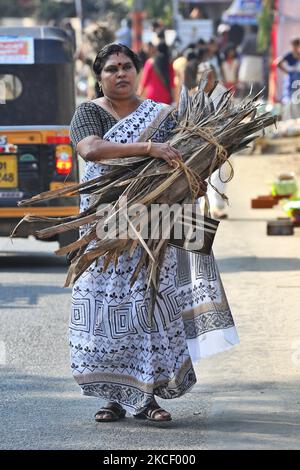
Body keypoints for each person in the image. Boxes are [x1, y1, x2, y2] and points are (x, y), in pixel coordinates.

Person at [69, 43, 239, 423]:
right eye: (111, 68)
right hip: (105, 227)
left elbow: (188, 162)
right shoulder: (89, 114)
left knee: (148, 309)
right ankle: (112, 397)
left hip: (156, 225)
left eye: (127, 66)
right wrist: (150, 148)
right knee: (108, 310)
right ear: (99, 78)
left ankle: (147, 399)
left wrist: (193, 179)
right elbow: (91, 150)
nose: (120, 73)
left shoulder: (163, 116)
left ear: (136, 70)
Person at [276, 38, 300, 119]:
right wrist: (287, 72)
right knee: (289, 99)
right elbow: (277, 63)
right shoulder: (289, 55)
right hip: (291, 81)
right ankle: (289, 117)